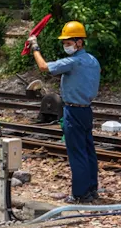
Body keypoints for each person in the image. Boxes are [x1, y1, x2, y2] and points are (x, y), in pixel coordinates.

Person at [27, 21, 101, 203]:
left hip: (73, 111)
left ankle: (80, 194)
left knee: (77, 153)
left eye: (69, 42)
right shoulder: (92, 61)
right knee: (88, 150)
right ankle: (92, 189)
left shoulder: (73, 62)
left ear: (79, 42)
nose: (65, 45)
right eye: (65, 42)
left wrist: (34, 47)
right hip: (86, 111)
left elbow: (44, 67)